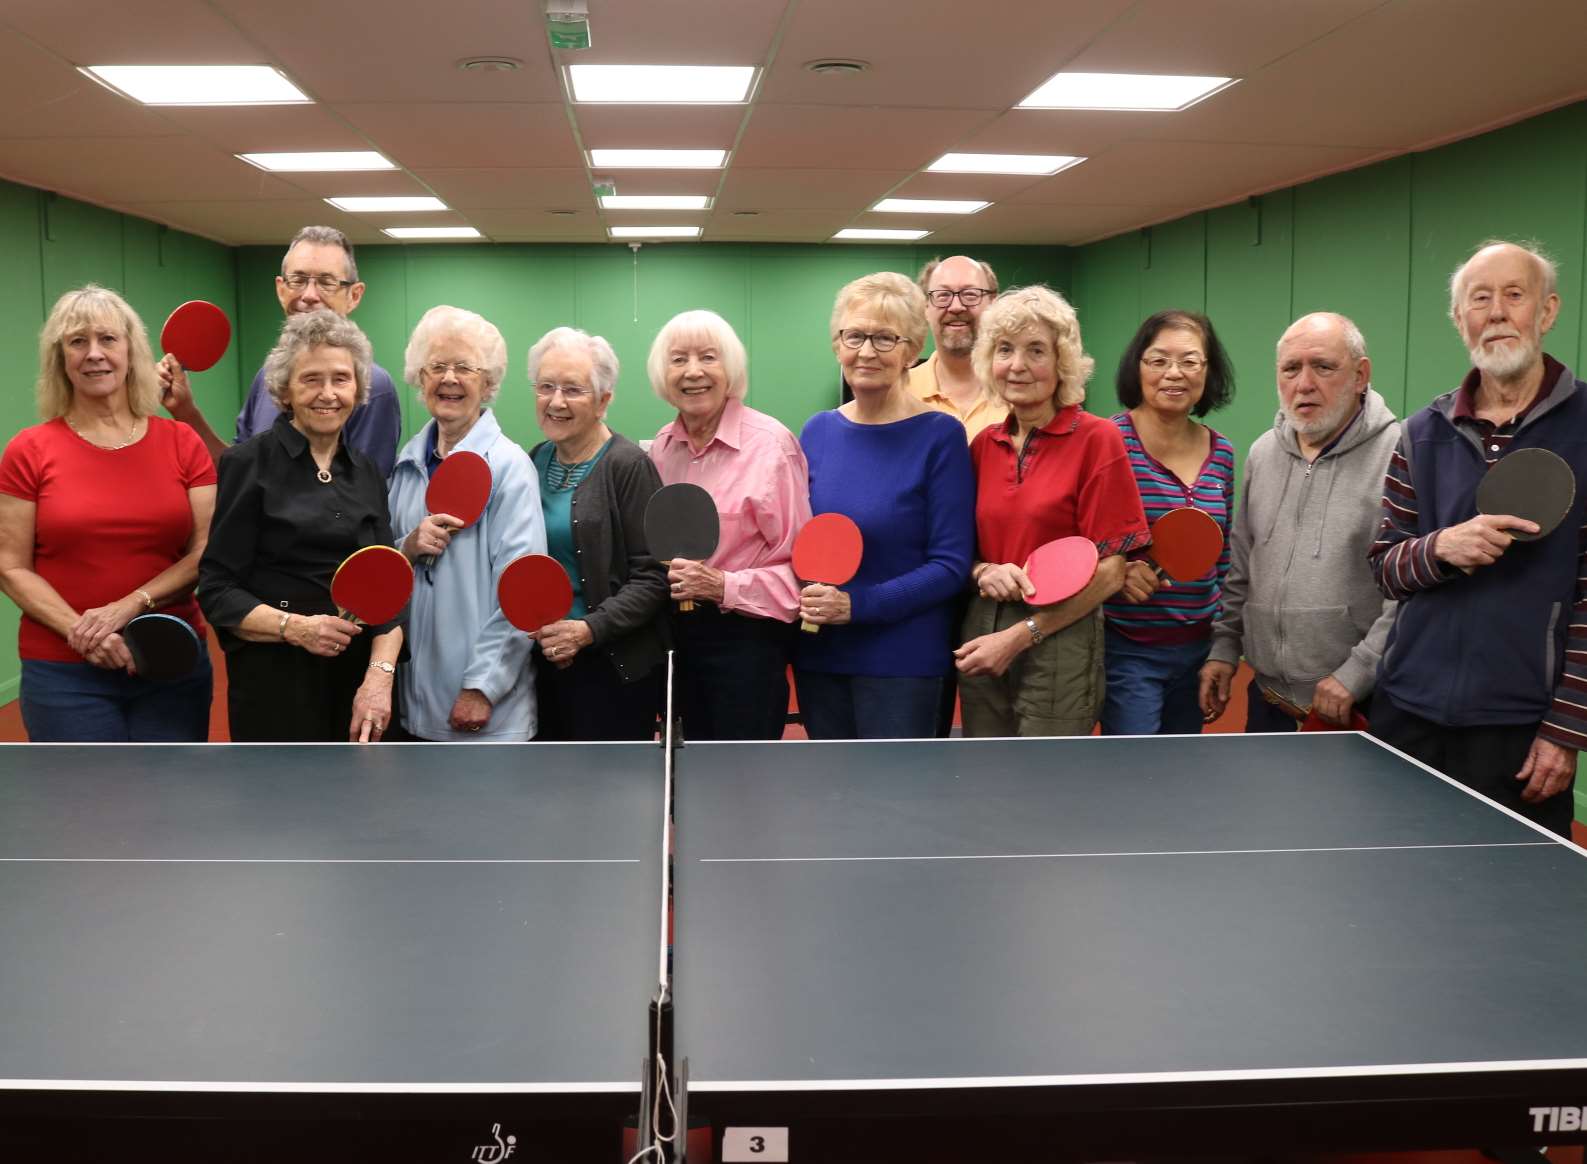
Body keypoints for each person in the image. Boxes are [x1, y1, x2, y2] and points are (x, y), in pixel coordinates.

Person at [1368, 240, 1583, 837]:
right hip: (1407, 709)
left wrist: (1565, 729)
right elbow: (1384, 565)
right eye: (1479, 299)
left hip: (1519, 726)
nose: (1495, 312)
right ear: (1459, 319)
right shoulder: (1421, 432)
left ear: (1547, 311)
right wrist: (1439, 549)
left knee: (1519, 911)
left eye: (1514, 296)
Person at [0, 285, 215, 741]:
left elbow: (206, 551)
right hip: (63, 672)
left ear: (131, 350)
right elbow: (11, 566)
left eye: (107, 339)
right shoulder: (28, 450)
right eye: (77, 341)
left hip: (170, 660)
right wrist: (83, 631)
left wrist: (129, 606)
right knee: (86, 810)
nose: (93, 353)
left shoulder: (182, 442)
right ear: (61, 358)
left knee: (173, 806)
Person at [198, 310, 403, 742]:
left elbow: (389, 591)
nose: (327, 394)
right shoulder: (246, 464)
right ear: (285, 390)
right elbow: (218, 590)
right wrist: (298, 628)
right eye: (311, 379)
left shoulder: (367, 473)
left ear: (359, 388)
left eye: (341, 379)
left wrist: (379, 681)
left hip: (357, 690)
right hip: (274, 688)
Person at [954, 285, 1148, 737]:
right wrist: (983, 570)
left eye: (1035, 351)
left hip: (1061, 630)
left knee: (1047, 783)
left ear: (1062, 364)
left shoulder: (1098, 439)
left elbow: (1112, 571)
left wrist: (1021, 636)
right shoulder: (984, 445)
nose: (1017, 365)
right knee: (987, 775)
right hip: (983, 623)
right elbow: (962, 551)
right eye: (1005, 350)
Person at [1200, 312, 1399, 732]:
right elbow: (1242, 566)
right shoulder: (1262, 453)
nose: (1304, 384)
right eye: (1291, 369)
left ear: (1361, 375)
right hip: (1268, 700)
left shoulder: (1400, 454)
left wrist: (1358, 672)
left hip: (1357, 705)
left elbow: (1411, 592)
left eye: (1323, 367)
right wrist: (1224, 645)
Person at [796, 272, 974, 738]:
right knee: (831, 799)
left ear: (912, 349)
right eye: (854, 336)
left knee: (895, 807)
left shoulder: (941, 436)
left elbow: (950, 565)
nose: (866, 351)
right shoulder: (816, 432)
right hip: (821, 655)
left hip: (903, 663)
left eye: (884, 338)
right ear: (837, 345)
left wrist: (857, 605)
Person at [648, 310, 810, 741]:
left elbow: (800, 572)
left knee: (744, 789)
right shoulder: (661, 449)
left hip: (747, 644)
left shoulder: (772, 446)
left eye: (708, 357)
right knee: (684, 779)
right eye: (678, 359)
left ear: (731, 369)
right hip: (675, 644)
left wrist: (722, 585)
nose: (693, 372)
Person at [387, 306, 544, 741]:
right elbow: (389, 566)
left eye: (465, 368)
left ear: (488, 383)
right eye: (436, 366)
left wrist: (482, 687)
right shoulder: (406, 464)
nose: (449, 379)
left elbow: (523, 592)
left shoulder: (510, 467)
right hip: (414, 702)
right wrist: (408, 545)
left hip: (486, 711)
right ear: (420, 378)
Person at [160, 226, 401, 475]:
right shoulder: (268, 376)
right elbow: (238, 472)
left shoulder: (374, 387)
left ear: (354, 295)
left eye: (326, 282)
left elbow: (362, 497)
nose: (309, 295)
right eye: (298, 280)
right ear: (280, 289)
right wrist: (185, 411)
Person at [1101, 310, 1237, 735]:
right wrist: (1115, 571)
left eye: (1189, 361)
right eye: (1158, 360)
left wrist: (1221, 647)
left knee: (1180, 777)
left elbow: (1225, 556)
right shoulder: (1106, 442)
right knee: (1135, 778)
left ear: (1207, 371)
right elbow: (1076, 539)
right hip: (1127, 648)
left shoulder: (1224, 453)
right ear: (1136, 367)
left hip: (1198, 649)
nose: (1173, 374)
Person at [530, 326, 668, 740]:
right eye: (546, 386)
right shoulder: (532, 461)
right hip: (542, 660)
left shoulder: (628, 466)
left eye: (573, 389)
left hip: (609, 669)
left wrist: (587, 630)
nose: (556, 401)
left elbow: (653, 576)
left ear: (603, 400)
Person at [910, 255, 1007, 441]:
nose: (956, 306)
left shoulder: (1018, 391)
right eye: (943, 295)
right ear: (926, 307)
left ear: (994, 303)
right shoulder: (898, 392)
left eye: (970, 294)